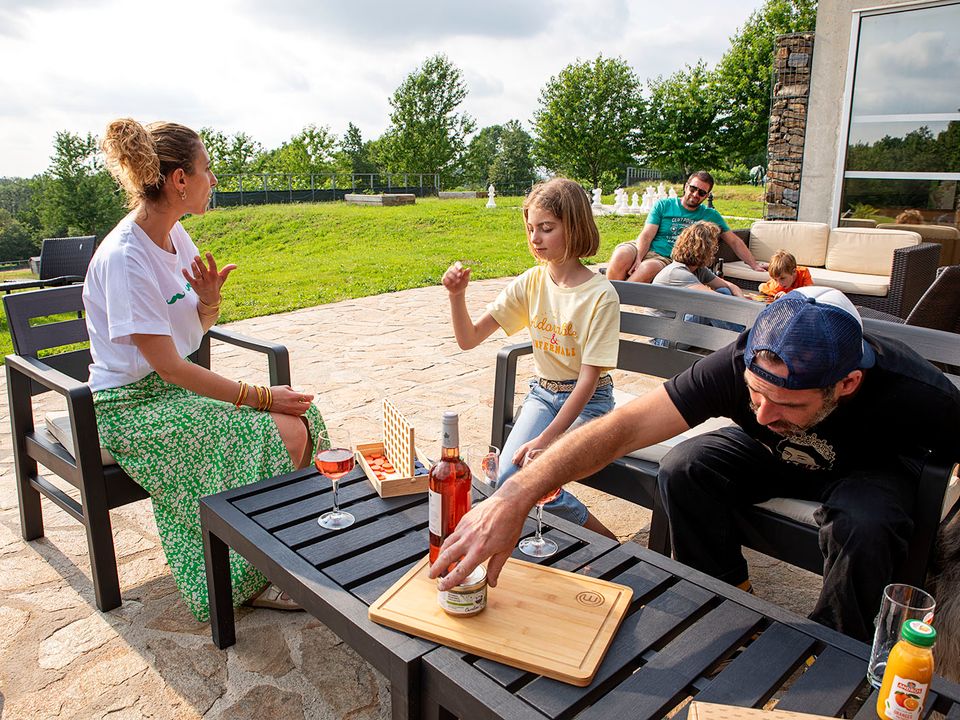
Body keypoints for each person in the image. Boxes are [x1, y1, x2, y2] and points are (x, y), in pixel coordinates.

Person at [430, 286, 960, 642]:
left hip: (870, 471)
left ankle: (830, 646)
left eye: (789, 403)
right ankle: (727, 596)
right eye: (755, 394)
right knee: (686, 466)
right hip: (774, 458)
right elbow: (626, 427)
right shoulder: (733, 366)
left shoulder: (916, 393)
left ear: (847, 384)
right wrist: (514, 494)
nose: (764, 411)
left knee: (867, 527)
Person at [86, 118, 326, 620]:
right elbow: (171, 367)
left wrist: (209, 303)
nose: (212, 180)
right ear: (178, 181)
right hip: (130, 409)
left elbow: (193, 333)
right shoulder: (127, 258)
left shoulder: (176, 240)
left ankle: (280, 551)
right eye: (206, 170)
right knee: (266, 429)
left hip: (171, 393)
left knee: (306, 418)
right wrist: (261, 396)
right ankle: (242, 576)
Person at [441, 178, 618, 539]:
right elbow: (468, 339)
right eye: (531, 228)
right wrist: (456, 296)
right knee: (507, 477)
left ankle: (605, 542)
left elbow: (587, 381)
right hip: (542, 394)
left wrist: (546, 440)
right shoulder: (531, 282)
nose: (535, 238)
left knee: (534, 475)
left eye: (547, 228)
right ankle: (549, 537)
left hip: (589, 402)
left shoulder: (600, 296)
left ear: (575, 226)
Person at [607, 171, 766, 283]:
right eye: (693, 188)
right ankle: (607, 296)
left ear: (706, 195)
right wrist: (638, 258)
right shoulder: (664, 205)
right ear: (686, 186)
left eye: (702, 193)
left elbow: (734, 242)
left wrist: (754, 265)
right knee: (621, 254)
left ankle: (619, 299)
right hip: (644, 247)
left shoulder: (710, 215)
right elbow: (647, 235)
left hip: (668, 257)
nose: (696, 194)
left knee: (648, 268)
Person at [651, 220, 745, 339]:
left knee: (723, 291)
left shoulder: (698, 269)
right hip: (664, 337)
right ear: (704, 249)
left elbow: (728, 286)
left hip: (679, 327)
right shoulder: (677, 273)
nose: (715, 251)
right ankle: (743, 340)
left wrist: (744, 301)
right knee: (712, 305)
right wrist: (746, 309)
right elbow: (716, 300)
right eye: (714, 247)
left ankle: (741, 336)